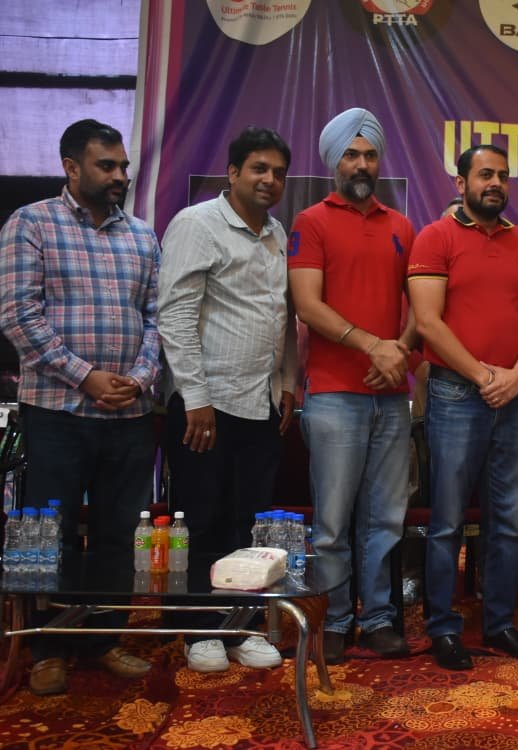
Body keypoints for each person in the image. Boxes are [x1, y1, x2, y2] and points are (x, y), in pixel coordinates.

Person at [0, 119, 158, 695]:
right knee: (53, 534)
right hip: (57, 413)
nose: (120, 176)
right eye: (106, 166)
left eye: (123, 166)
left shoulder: (142, 236)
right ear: (71, 167)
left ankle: (104, 639)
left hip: (129, 415)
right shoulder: (31, 224)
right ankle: (49, 648)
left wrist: (139, 379)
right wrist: (85, 377)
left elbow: (157, 319)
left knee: (117, 534)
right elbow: (19, 316)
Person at [158, 127, 298, 673]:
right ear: (233, 172)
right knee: (203, 520)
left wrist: (287, 382)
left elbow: (282, 316)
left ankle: (239, 627)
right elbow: (175, 314)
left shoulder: (277, 233)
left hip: (260, 403)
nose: (269, 180)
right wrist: (194, 397)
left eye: (278, 172)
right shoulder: (197, 224)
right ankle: (198, 630)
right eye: (259, 168)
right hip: (206, 406)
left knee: (247, 523)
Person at [408, 144, 518, 670]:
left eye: (503, 176)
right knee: (447, 521)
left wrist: (517, 376)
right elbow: (428, 322)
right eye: (485, 174)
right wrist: (483, 375)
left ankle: (500, 624)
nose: (495, 183)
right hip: (455, 394)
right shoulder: (435, 236)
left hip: (514, 395)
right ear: (460, 182)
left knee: (508, 521)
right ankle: (444, 630)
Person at [288, 108, 416, 663]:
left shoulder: (402, 226)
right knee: (333, 522)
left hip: (390, 392)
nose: (361, 165)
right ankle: (336, 619)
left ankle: (379, 618)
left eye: (369, 155)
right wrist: (373, 346)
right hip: (334, 393)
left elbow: (421, 304)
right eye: (351, 155)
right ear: (333, 162)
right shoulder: (311, 222)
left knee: (386, 517)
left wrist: (399, 352)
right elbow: (307, 304)